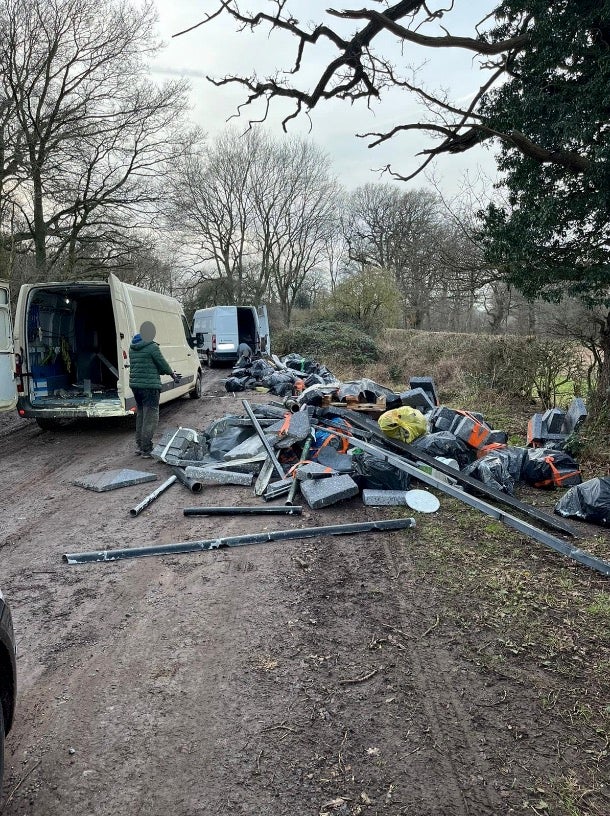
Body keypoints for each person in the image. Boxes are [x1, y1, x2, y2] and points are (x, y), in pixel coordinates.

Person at [129, 321, 179, 457]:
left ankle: (140, 445)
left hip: (136, 386)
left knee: (141, 415)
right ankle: (146, 449)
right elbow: (162, 364)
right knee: (150, 417)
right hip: (150, 387)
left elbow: (147, 366)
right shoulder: (151, 347)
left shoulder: (133, 347)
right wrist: (172, 374)